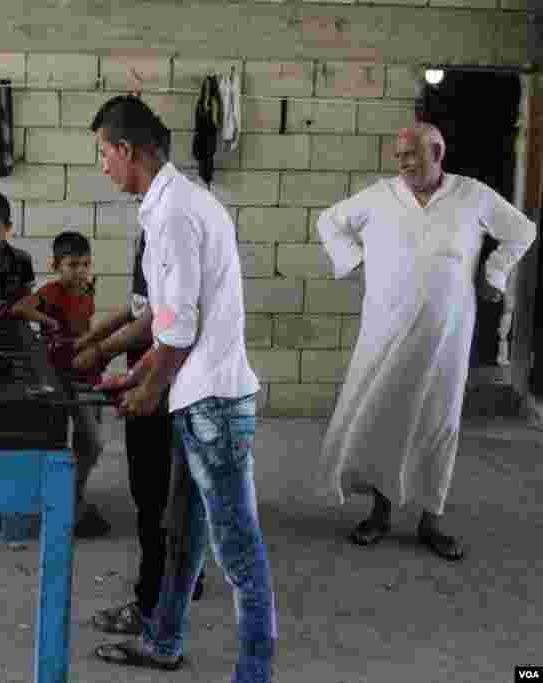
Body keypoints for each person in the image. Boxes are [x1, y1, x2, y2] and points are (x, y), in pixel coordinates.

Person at [89, 95, 275, 681]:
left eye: (103, 153)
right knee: (183, 537)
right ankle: (164, 641)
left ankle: (255, 672)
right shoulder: (171, 205)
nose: (103, 166)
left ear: (127, 150)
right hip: (199, 394)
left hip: (213, 401)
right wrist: (138, 375)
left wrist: (150, 387)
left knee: (238, 550)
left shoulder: (173, 214)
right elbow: (168, 318)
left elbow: (183, 325)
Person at [317, 122, 536, 561]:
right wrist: (355, 260)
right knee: (383, 414)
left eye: (411, 154)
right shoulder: (380, 196)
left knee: (438, 422)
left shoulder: (472, 195)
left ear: (437, 151)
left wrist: (494, 273)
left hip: (446, 335)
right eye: (398, 156)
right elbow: (330, 220)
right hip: (386, 330)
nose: (402, 163)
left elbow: (521, 230)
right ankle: (380, 513)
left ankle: (430, 520)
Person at [75, 225, 204, 634]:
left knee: (154, 500)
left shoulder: (172, 240)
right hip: (160, 387)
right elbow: (139, 312)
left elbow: (157, 328)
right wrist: (94, 341)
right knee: (174, 499)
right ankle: (184, 580)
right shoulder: (152, 236)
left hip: (167, 397)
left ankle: (151, 607)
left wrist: (106, 358)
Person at [12, 231, 110, 538]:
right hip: (55, 376)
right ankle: (59, 501)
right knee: (53, 441)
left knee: (90, 444)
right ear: (56, 264)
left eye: (84, 264)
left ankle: (73, 497)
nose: (79, 271)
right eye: (71, 265)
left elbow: (86, 326)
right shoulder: (51, 291)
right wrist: (49, 323)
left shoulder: (88, 291)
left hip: (83, 373)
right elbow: (20, 309)